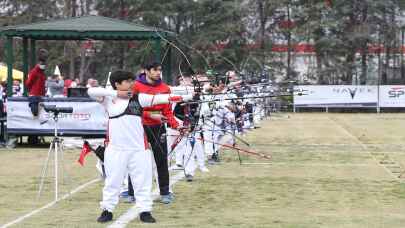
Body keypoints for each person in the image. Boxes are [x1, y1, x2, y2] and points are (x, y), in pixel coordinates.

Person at [88, 70, 193, 223]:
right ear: (117, 84)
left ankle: (145, 210)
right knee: (113, 182)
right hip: (116, 149)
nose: (132, 84)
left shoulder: (139, 98)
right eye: (128, 81)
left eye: (132, 81)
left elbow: (162, 98)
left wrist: (188, 97)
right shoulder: (108, 99)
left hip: (139, 149)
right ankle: (107, 210)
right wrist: (117, 94)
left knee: (143, 181)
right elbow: (91, 91)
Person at [132, 62, 183, 204]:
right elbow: (132, 107)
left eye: (160, 70)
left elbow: (167, 111)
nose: (158, 72)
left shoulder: (165, 88)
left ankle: (165, 192)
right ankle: (131, 192)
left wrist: (176, 125)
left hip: (158, 127)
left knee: (161, 160)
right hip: (139, 126)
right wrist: (150, 115)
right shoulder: (135, 86)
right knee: (136, 161)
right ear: (146, 71)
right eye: (155, 70)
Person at [25, 48, 48, 116]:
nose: (44, 65)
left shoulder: (42, 73)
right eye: (43, 63)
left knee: (42, 115)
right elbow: (28, 83)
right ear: (39, 63)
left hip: (41, 96)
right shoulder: (34, 71)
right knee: (35, 113)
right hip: (34, 96)